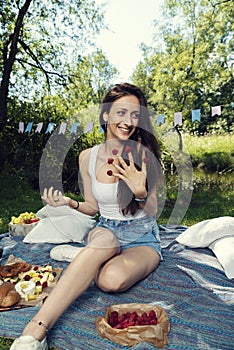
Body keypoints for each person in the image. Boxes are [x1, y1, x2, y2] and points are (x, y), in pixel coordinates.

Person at [10, 83, 163, 350]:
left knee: (109, 281)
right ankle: (35, 331)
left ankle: (85, 259)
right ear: (105, 115)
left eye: (135, 115)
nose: (128, 121)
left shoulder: (145, 155)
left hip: (142, 237)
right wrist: (68, 202)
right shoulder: (87, 157)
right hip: (106, 229)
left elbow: (152, 210)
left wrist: (140, 192)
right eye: (121, 113)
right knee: (104, 241)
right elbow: (93, 207)